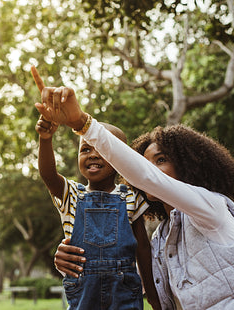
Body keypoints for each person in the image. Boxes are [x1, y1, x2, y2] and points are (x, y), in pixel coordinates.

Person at [32, 70, 234, 309]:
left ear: (187, 164)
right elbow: (147, 284)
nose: (149, 171)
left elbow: (148, 179)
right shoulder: (162, 239)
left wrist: (81, 122)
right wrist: (69, 257)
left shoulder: (211, 208)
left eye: (161, 160)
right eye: (144, 163)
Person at [32, 66, 160, 309]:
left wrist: (152, 295)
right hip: (83, 292)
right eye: (86, 149)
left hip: (124, 291)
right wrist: (45, 139)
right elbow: (48, 174)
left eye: (102, 149)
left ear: (119, 158)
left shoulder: (131, 196)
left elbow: (142, 247)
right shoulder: (72, 195)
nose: (93, 155)